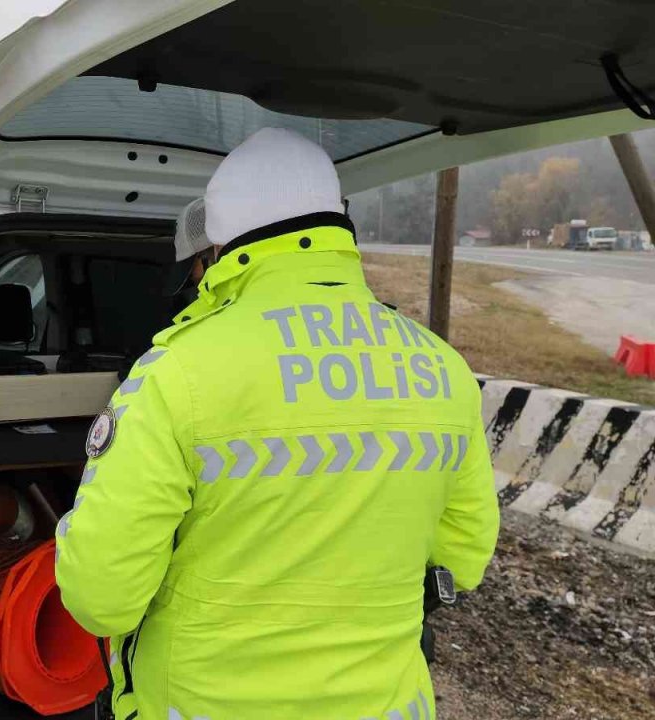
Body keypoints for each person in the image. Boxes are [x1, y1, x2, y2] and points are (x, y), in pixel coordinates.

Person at [55, 127, 499, 720]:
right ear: (339, 228)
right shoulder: (443, 369)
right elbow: (462, 557)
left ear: (218, 248)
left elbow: (102, 598)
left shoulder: (176, 373)